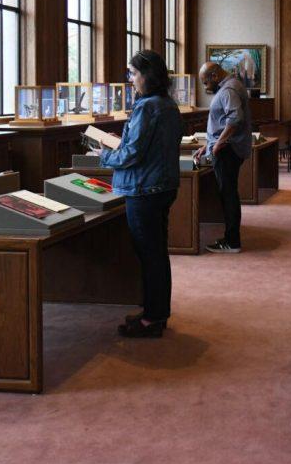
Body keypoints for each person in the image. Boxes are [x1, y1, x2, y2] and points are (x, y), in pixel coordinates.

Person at [98, 50, 183, 338]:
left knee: (150, 255)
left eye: (133, 73)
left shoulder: (148, 108)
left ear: (148, 76)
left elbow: (132, 153)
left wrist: (104, 155)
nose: (131, 79)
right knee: (157, 253)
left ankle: (153, 318)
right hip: (162, 186)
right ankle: (155, 313)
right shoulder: (168, 104)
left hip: (144, 189)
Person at [195, 61, 252, 254]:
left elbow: (235, 119)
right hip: (226, 148)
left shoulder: (228, 90)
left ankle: (232, 241)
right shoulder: (232, 85)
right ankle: (231, 238)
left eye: (205, 82)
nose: (205, 86)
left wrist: (217, 144)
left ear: (214, 76)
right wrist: (208, 145)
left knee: (228, 195)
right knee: (228, 193)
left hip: (228, 150)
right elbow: (221, 124)